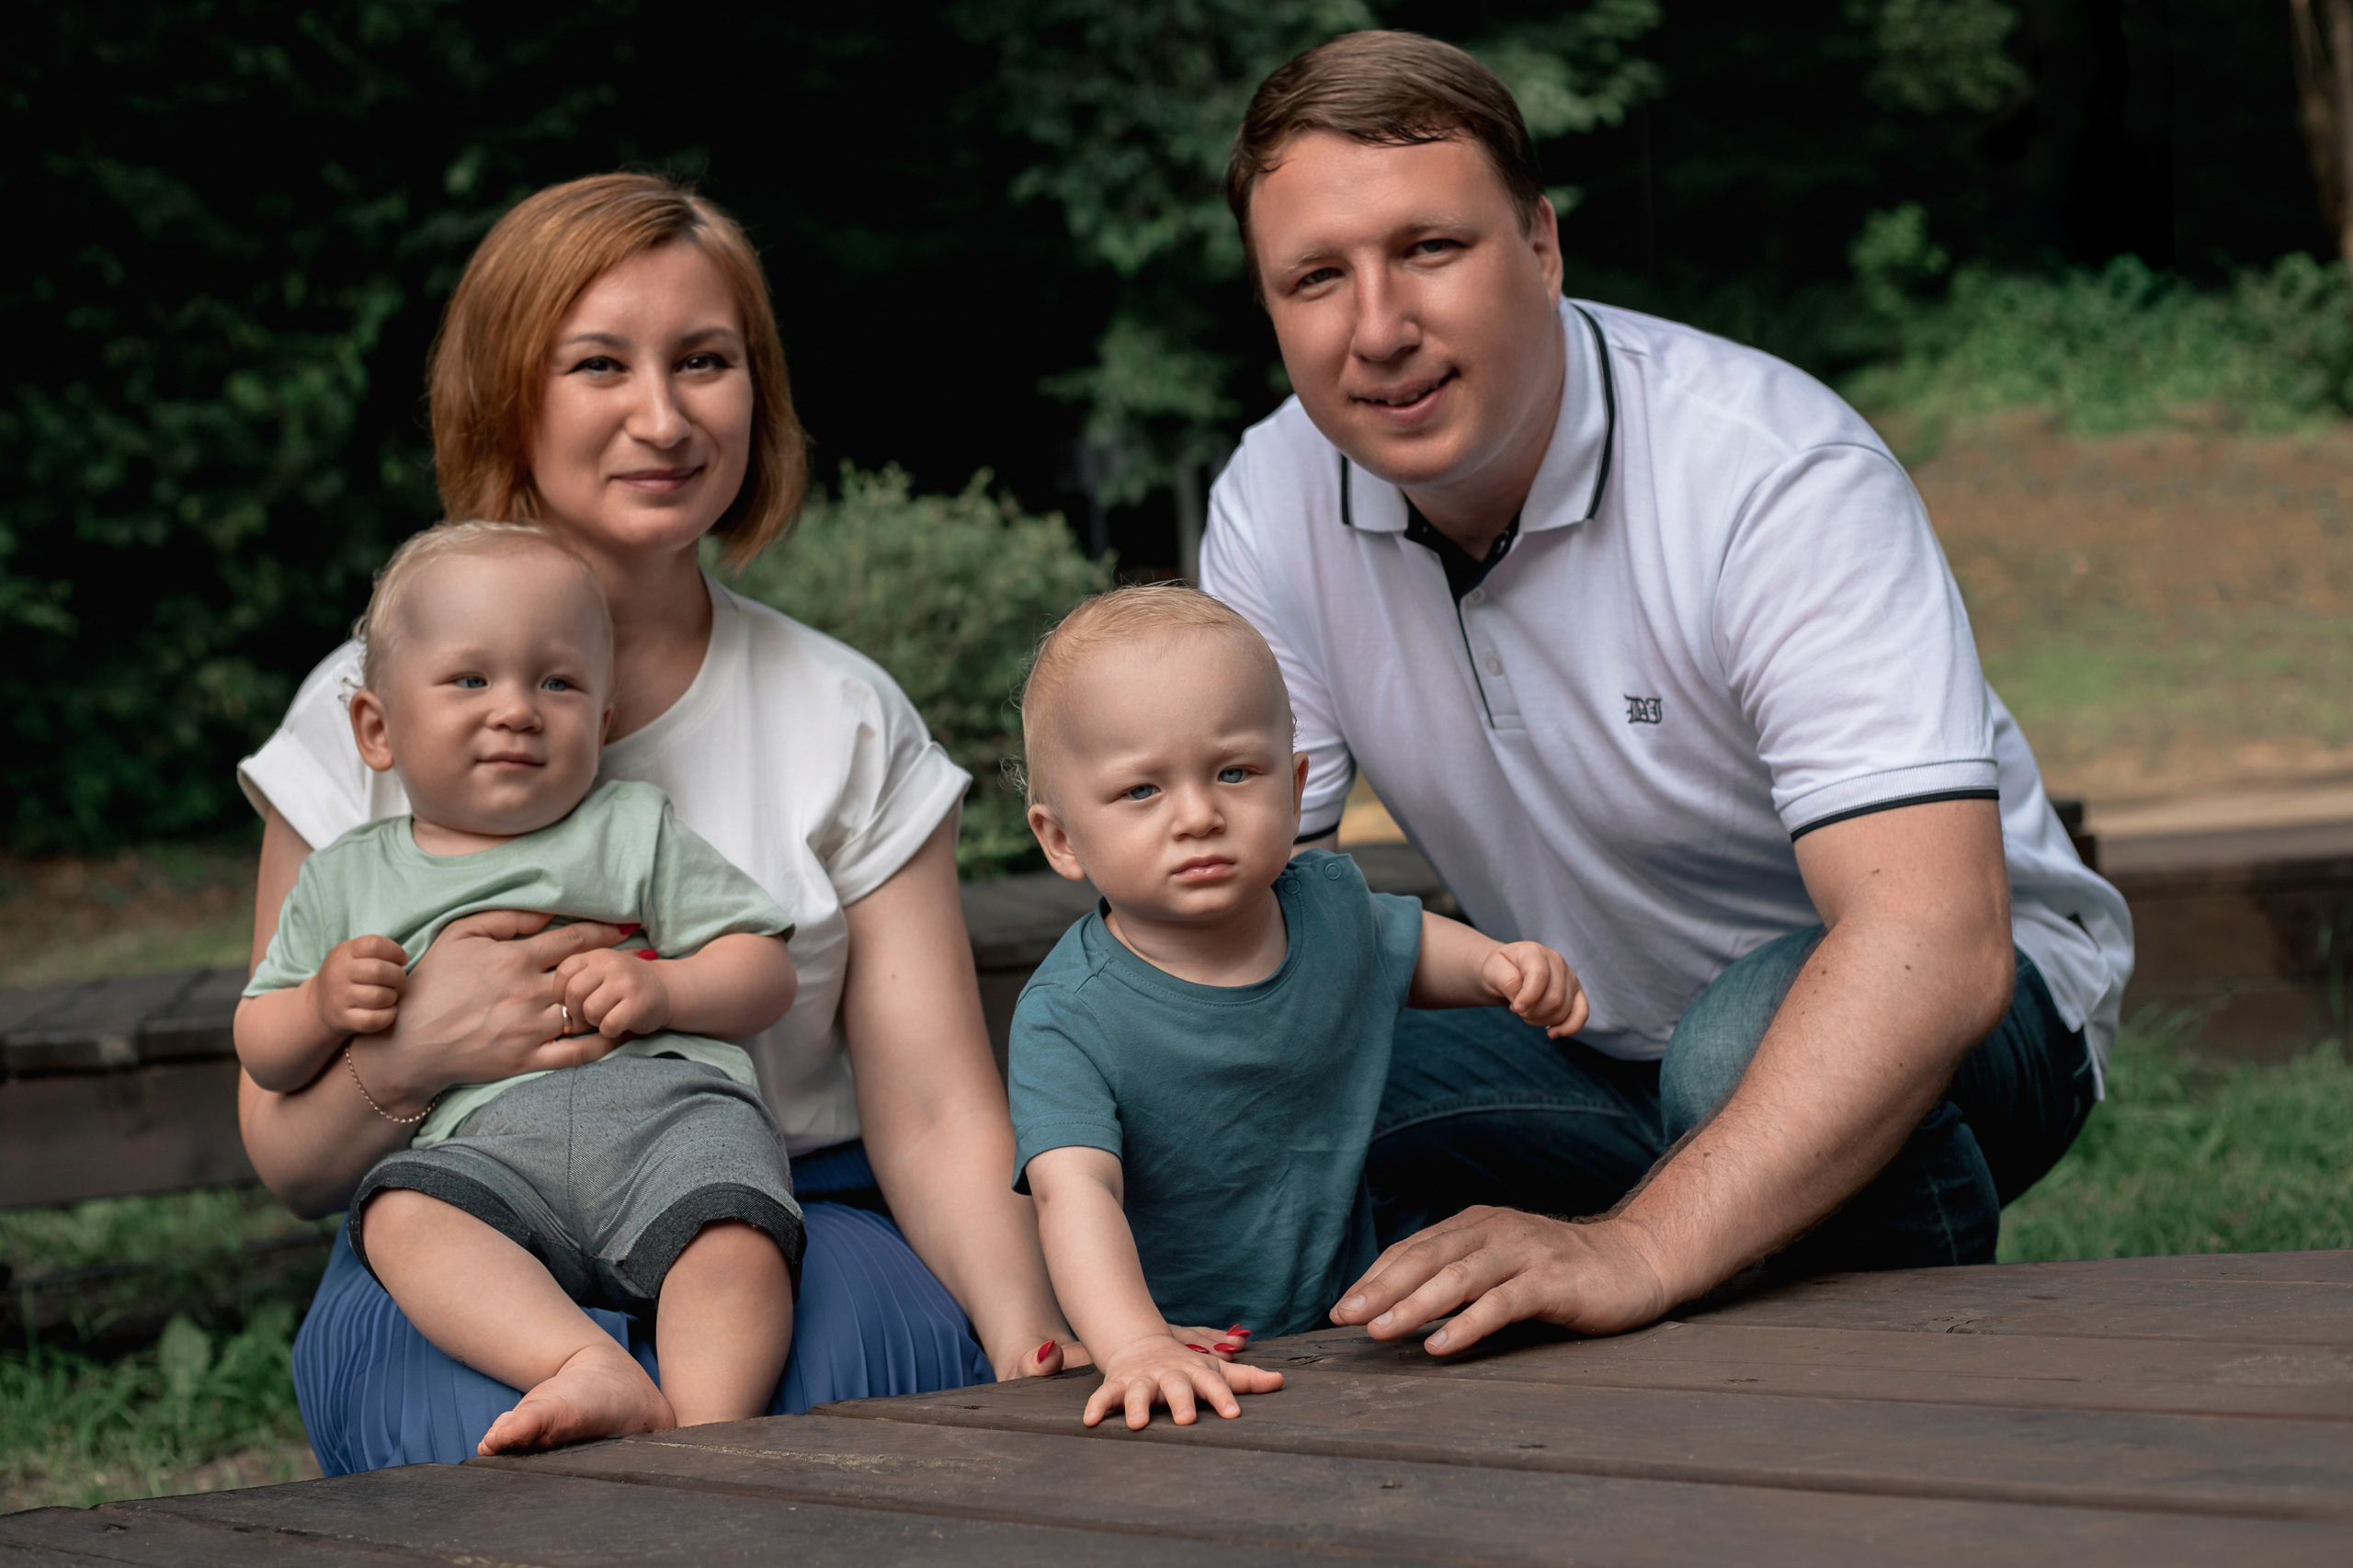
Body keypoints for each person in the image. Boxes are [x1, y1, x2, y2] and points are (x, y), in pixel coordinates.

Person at [1195, 32, 2134, 1357]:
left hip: (1973, 1010)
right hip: (1590, 1034)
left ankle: (1900, 1416)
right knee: (1272, 1080)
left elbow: (1937, 943)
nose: (1379, 328)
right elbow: (1240, 923)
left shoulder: (1771, 475)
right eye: (1315, 278)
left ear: (1541, 246)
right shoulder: (1269, 504)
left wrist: (1634, 1246)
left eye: (1431, 249)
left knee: (1734, 1046)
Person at [237, 174, 1078, 1473]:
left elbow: (928, 1107)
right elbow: (287, 1155)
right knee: (486, 1452)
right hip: (463, 1211)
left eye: (705, 361)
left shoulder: (840, 712)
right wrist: (413, 1054)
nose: (664, 415)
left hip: (785, 1196)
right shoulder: (367, 710)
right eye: (598, 364)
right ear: (510, 393)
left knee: (836, 1410)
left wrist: (1031, 1332)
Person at [239, 521, 805, 1455]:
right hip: (482, 1141)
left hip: (667, 1114)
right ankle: (583, 1362)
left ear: (605, 720)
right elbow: (261, 1042)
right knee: (401, 1215)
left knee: (734, 1232)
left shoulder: (630, 826)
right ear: (376, 728)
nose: (516, 709)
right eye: (470, 678)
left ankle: (709, 1437)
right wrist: (322, 1003)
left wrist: (664, 990)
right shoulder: (346, 879)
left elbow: (764, 966)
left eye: (557, 681)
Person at [1008, 585, 1586, 1429]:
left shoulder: (1326, 904)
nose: (1199, 816)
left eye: (1235, 772)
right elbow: (1076, 1194)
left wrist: (1498, 967)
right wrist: (1133, 1342)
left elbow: (1408, 944)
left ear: (1297, 784)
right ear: (1061, 838)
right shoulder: (1069, 1014)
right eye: (1141, 792)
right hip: (1172, 1336)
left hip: (1341, 1320)